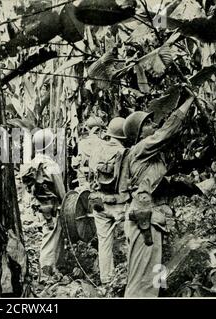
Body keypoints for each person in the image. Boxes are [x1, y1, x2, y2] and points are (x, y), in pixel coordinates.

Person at [121, 89, 195, 297]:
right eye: (148, 124)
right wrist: (188, 102)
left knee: (152, 277)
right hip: (143, 219)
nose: (154, 126)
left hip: (150, 218)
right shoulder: (141, 149)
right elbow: (167, 132)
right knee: (141, 280)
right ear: (139, 132)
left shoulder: (151, 156)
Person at [89, 117, 129, 285]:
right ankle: (129, 277)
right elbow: (128, 181)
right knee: (130, 241)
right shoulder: (125, 152)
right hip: (120, 204)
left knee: (104, 242)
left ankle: (106, 280)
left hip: (99, 202)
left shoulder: (97, 149)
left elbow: (91, 174)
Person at [21, 128, 66, 277]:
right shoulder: (51, 165)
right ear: (48, 145)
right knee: (51, 238)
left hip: (41, 206)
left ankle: (53, 269)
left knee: (50, 235)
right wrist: (66, 203)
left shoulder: (32, 164)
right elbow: (60, 190)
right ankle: (46, 271)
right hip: (53, 207)